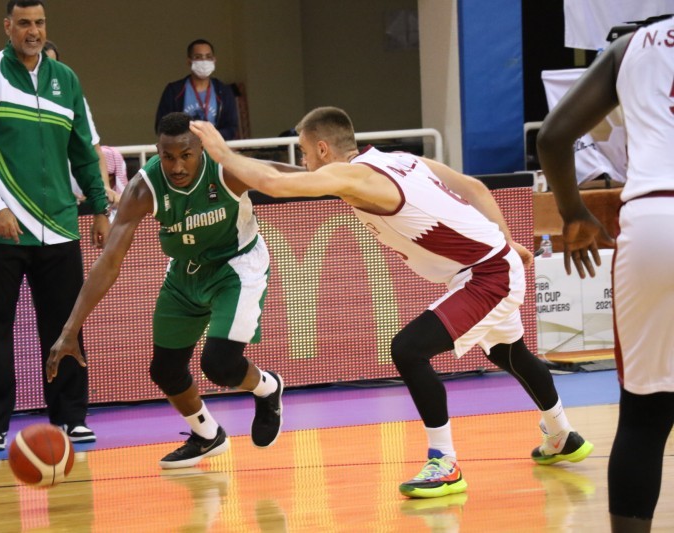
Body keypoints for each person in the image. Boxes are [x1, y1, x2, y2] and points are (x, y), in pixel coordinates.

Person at [190, 107, 594, 498]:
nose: (305, 161)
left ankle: (444, 462)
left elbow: (276, 184)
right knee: (509, 353)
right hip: (488, 265)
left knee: (408, 349)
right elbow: (474, 187)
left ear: (324, 149)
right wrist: (506, 240)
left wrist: (223, 154)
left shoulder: (358, 177)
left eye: (306, 151)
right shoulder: (400, 159)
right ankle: (562, 434)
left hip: (488, 276)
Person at [46, 112, 284, 469]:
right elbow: (109, 261)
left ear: (201, 149)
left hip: (236, 267)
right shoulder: (144, 187)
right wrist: (70, 329)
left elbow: (283, 177)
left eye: (186, 155)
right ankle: (207, 435)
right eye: (168, 156)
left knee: (219, 365)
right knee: (165, 370)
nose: (176, 166)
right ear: (158, 151)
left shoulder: (226, 170)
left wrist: (344, 179)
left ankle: (267, 387)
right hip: (185, 271)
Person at [536, 15, 674, 533]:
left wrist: (574, 212)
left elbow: (553, 136)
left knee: (645, 415)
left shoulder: (635, 43)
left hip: (655, 219)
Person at [0, 0, 110, 452]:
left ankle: (71, 417)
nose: (33, 31)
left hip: (59, 226)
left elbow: (83, 151)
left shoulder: (67, 80)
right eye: (24, 23)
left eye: (39, 22)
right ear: (7, 26)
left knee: (67, 327)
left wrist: (99, 208)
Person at [42, 40, 120, 206]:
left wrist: (104, 187)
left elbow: (94, 149)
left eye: (53, 64)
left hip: (76, 195)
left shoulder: (72, 96)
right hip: (42, 194)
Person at [155, 39, 239, 140]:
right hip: (183, 147)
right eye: (198, 57)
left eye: (208, 57)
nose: (204, 61)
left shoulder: (224, 91)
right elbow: (162, 126)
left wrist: (210, 138)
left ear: (214, 60)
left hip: (214, 147)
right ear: (189, 61)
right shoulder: (173, 91)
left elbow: (231, 127)